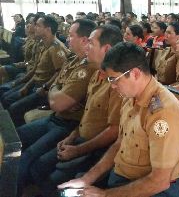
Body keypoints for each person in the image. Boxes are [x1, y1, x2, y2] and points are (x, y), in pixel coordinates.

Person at [59, 42, 179, 197]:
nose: (112, 86)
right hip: (122, 176)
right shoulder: (130, 97)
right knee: (65, 186)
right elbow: (120, 144)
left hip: (153, 189)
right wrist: (86, 179)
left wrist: (105, 195)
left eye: (114, 79)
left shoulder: (163, 113)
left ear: (135, 73)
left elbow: (159, 181)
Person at [28, 24, 124, 196]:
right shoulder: (97, 75)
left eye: (91, 43)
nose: (86, 46)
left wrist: (78, 150)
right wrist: (71, 137)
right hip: (80, 138)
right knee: (38, 166)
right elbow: (87, 116)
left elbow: (114, 131)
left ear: (107, 49)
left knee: (49, 176)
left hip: (96, 149)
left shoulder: (118, 83)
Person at [16, 19, 99, 194]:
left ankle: (14, 190)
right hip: (55, 118)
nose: (67, 39)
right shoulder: (73, 60)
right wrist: (54, 89)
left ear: (84, 40)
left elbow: (58, 103)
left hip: (67, 125)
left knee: (28, 157)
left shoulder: (88, 68)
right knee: (16, 139)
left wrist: (53, 89)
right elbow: (56, 87)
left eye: (71, 35)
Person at [1, 15, 68, 118]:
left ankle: (16, 132)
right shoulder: (43, 44)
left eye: (37, 25)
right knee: (5, 97)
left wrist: (44, 87)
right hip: (34, 84)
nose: (34, 27)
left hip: (43, 90)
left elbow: (60, 72)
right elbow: (37, 70)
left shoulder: (56, 48)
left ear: (48, 29)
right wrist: (26, 85)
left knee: (13, 107)